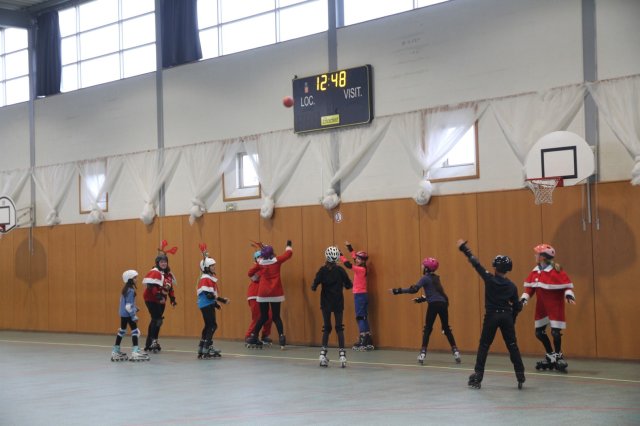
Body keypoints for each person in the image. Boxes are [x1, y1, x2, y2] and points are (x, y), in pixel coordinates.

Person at [457, 239, 525, 390]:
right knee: (512, 345)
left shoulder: (489, 279)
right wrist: (512, 319)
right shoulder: (512, 286)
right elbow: (517, 306)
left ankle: (478, 376)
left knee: (484, 345)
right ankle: (520, 374)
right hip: (506, 317)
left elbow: (476, 264)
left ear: (495, 267)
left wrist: (464, 248)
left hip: (492, 316)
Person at [390, 257, 461, 364]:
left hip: (434, 305)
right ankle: (456, 352)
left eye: (423, 265)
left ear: (426, 268)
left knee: (428, 329)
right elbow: (436, 294)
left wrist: (397, 291)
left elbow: (414, 289)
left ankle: (422, 353)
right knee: (446, 328)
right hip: (443, 304)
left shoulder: (425, 278)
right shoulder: (436, 278)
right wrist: (422, 299)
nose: (422, 266)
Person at [521, 243, 576, 372]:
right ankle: (551, 355)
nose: (535, 256)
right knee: (539, 333)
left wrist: (569, 295)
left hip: (554, 306)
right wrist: (524, 298)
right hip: (541, 307)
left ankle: (558, 355)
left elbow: (566, 286)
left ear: (543, 257)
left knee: (555, 333)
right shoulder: (535, 271)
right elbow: (530, 288)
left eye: (537, 254)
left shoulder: (556, 271)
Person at [245, 240, 293, 349]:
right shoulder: (277, 261)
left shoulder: (260, 263)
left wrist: (255, 278)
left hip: (263, 293)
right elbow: (288, 254)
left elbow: (250, 273)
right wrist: (288, 246)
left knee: (263, 316)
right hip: (276, 292)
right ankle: (282, 338)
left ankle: (254, 336)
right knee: (276, 317)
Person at [312, 246, 353, 367]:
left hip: (325, 303)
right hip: (338, 302)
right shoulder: (340, 270)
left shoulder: (322, 270)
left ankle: (322, 354)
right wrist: (345, 285)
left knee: (327, 327)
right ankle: (342, 355)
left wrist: (315, 286)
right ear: (337, 258)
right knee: (339, 328)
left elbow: (314, 285)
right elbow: (348, 285)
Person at [142, 240, 178, 353]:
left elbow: (170, 288)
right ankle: (153, 341)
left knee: (156, 320)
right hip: (151, 299)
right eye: (162, 262)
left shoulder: (168, 274)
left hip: (161, 300)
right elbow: (151, 285)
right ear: (158, 263)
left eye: (165, 262)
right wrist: (158, 296)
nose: (164, 264)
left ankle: (150, 343)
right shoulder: (155, 272)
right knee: (157, 320)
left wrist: (172, 299)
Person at [196, 248, 230, 359]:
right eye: (212, 266)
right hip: (206, 304)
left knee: (208, 326)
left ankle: (202, 347)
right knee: (212, 326)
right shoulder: (205, 278)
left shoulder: (208, 278)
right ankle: (207, 347)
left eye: (214, 265)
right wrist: (222, 300)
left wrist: (215, 304)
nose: (214, 267)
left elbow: (209, 294)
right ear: (206, 268)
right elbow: (209, 295)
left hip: (206, 304)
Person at [111, 270, 150, 362]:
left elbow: (125, 304)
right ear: (129, 279)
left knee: (122, 331)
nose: (136, 279)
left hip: (123, 314)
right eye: (135, 278)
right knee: (135, 331)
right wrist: (133, 316)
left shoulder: (125, 289)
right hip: (128, 314)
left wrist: (135, 308)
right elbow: (128, 306)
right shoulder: (131, 290)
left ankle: (115, 351)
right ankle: (135, 351)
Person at [341, 241, 374, 351]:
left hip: (360, 295)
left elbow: (348, 265)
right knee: (363, 317)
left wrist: (340, 255)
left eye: (359, 259)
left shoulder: (360, 269)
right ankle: (368, 339)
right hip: (362, 295)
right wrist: (349, 247)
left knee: (360, 317)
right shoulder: (362, 267)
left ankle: (363, 339)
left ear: (363, 261)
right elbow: (354, 256)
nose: (356, 260)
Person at [245, 250, 273, 347]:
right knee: (257, 317)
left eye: (262, 257)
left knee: (269, 316)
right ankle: (249, 336)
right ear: (256, 259)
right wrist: (263, 268)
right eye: (259, 257)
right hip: (254, 295)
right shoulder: (255, 267)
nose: (261, 259)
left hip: (263, 296)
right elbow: (255, 278)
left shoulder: (265, 266)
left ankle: (265, 335)